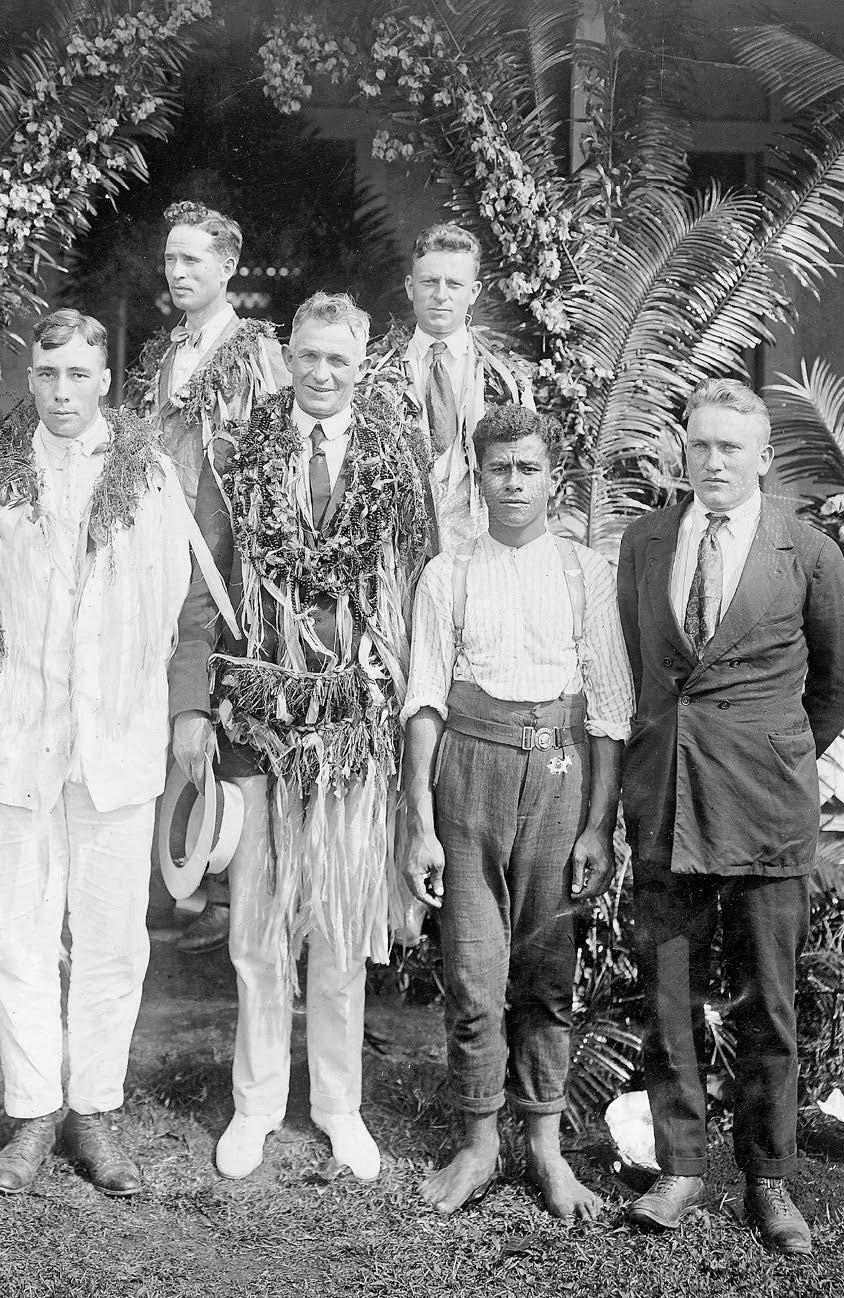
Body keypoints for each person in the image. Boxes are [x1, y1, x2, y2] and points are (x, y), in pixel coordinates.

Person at [169, 291, 432, 1182]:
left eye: (340, 360)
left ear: (362, 365)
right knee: (255, 923)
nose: (322, 374)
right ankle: (254, 1103)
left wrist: (403, 709)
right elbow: (201, 586)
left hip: (354, 724)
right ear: (288, 353)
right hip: (254, 718)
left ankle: (337, 1104)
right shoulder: (239, 456)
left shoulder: (397, 458)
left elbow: (420, 591)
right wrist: (189, 707)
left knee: (340, 919)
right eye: (309, 355)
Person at [617, 378, 844, 1254]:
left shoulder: (805, 551)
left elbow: (843, 684)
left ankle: (769, 1179)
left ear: (763, 456)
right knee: (669, 993)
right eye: (700, 445)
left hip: (766, 809)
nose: (714, 461)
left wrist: (774, 749)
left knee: (769, 1001)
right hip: (668, 802)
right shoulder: (646, 542)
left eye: (732, 446)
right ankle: (681, 1165)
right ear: (682, 451)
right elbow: (641, 663)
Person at [0, 309, 194, 1199]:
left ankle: (93, 1109)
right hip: (20, 734)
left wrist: (125, 694)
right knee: (20, 932)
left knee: (112, 938)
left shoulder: (149, 475)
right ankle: (32, 1112)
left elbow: (171, 605)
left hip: (116, 739)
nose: (61, 392)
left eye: (78, 375)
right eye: (47, 374)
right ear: (32, 377)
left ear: (105, 379)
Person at [402, 403, 634, 1218]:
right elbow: (424, 699)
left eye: (528, 468)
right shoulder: (448, 573)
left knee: (546, 971)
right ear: (478, 475)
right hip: (468, 775)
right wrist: (420, 820)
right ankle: (477, 1143)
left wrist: (599, 823)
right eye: (498, 468)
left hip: (559, 776)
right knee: (472, 969)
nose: (513, 483)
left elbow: (608, 709)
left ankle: (544, 1147)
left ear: (551, 478)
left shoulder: (585, 573)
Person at [127, 200, 289, 953]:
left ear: (228, 266)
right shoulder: (169, 354)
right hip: (163, 549)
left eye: (194, 259)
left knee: (221, 704)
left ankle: (224, 883)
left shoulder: (254, 351)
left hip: (227, 555)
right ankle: (179, 873)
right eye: (171, 259)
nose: (179, 271)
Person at [365, 222, 533, 552]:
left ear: (473, 292)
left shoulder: (506, 378)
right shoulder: (373, 373)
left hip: (482, 549)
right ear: (411, 287)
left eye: (454, 284)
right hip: (397, 553)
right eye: (430, 282)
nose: (441, 294)